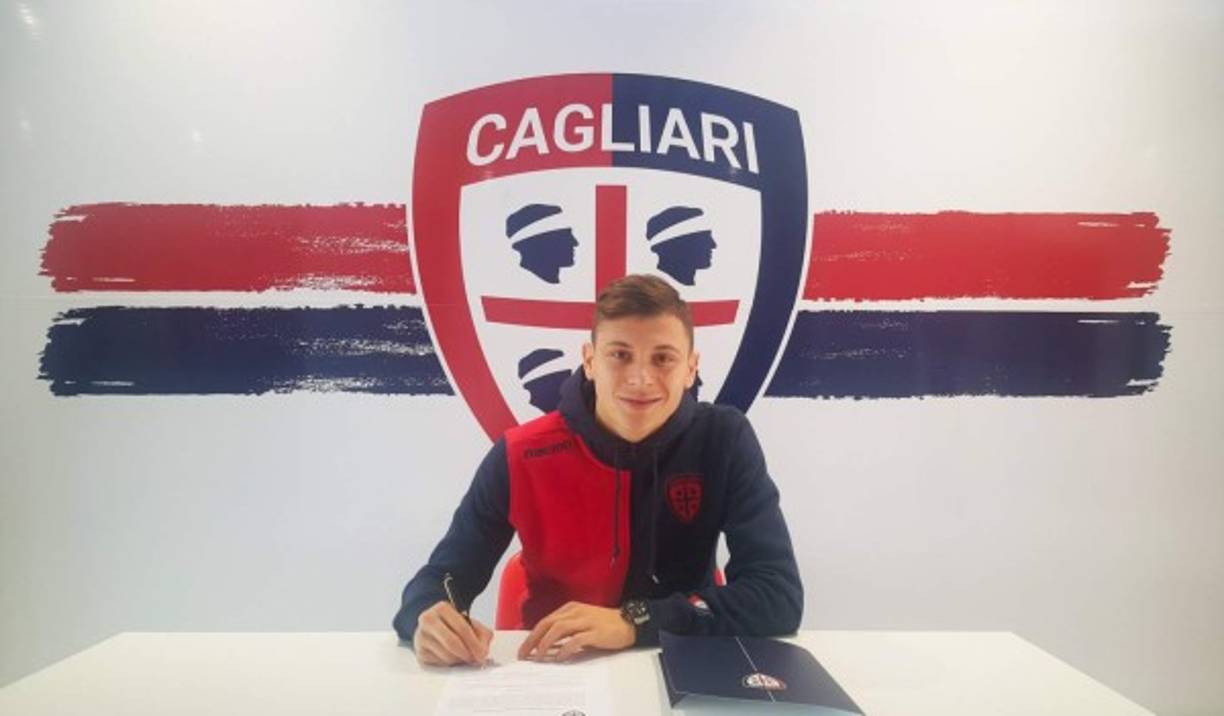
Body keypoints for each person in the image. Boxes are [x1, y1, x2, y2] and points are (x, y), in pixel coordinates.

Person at [393, 274, 802, 665]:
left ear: (690, 368)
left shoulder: (724, 440)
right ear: (589, 360)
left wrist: (633, 621)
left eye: (663, 358)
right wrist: (425, 619)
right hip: (556, 670)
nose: (641, 379)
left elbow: (778, 596)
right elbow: (437, 581)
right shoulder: (521, 453)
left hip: (682, 663)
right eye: (620, 355)